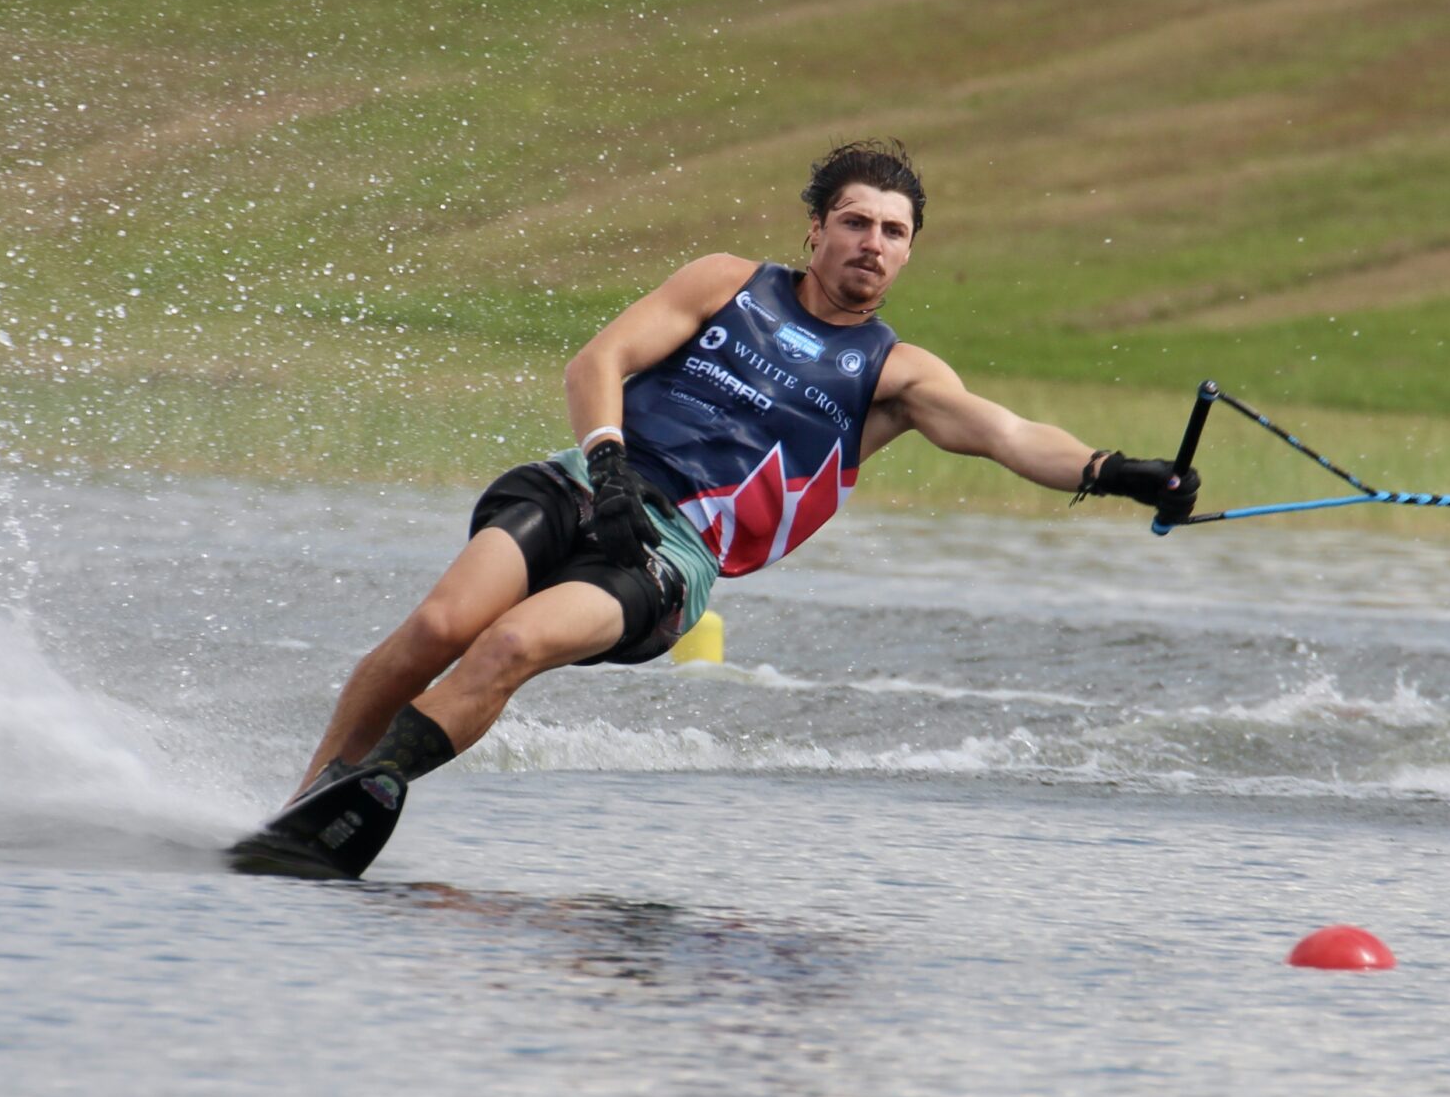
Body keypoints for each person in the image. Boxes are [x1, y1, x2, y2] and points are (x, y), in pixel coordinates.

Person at [229, 140, 1200, 879]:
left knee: (509, 647)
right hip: (583, 480)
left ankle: (379, 782)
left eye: (893, 232)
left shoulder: (895, 377)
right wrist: (607, 466)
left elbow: (1009, 433)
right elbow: (597, 362)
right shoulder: (726, 283)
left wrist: (1121, 472)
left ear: (909, 252)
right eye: (855, 222)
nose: (872, 244)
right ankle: (305, 802)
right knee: (440, 624)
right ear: (814, 229)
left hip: (668, 555)